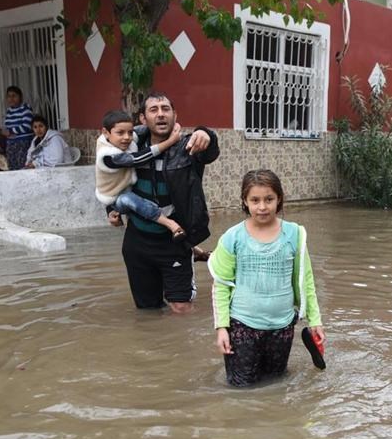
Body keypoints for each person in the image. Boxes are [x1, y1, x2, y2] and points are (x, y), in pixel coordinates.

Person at [208, 169, 325, 387]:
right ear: (245, 201)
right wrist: (222, 328)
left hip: (282, 327)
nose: (262, 207)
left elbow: (306, 280)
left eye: (269, 199)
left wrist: (315, 320)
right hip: (242, 325)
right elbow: (221, 286)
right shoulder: (232, 237)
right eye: (255, 200)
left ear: (279, 199)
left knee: (276, 384)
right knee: (240, 387)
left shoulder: (294, 235)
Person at [107, 92, 218, 312]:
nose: (160, 114)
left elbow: (211, 151)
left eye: (166, 109)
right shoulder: (129, 148)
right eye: (154, 110)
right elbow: (110, 179)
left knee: (182, 308)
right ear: (142, 119)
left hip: (174, 242)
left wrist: (205, 133)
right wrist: (111, 209)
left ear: (175, 115)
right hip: (137, 242)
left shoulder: (189, 147)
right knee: (147, 311)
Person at [96, 109, 187, 241]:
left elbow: (146, 128)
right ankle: (170, 224)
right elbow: (138, 159)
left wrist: (174, 125)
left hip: (126, 190)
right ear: (105, 132)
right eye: (120, 133)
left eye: (130, 132)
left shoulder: (122, 139)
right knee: (127, 199)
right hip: (115, 199)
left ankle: (194, 249)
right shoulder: (107, 155)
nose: (127, 137)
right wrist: (170, 141)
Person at [2, 85, 33, 170]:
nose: (11, 99)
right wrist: (6, 133)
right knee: (12, 168)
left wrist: (11, 131)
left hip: (23, 144)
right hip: (11, 144)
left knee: (22, 167)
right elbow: (7, 126)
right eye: (9, 96)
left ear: (20, 97)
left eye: (14, 96)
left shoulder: (25, 109)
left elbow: (27, 126)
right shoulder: (9, 111)